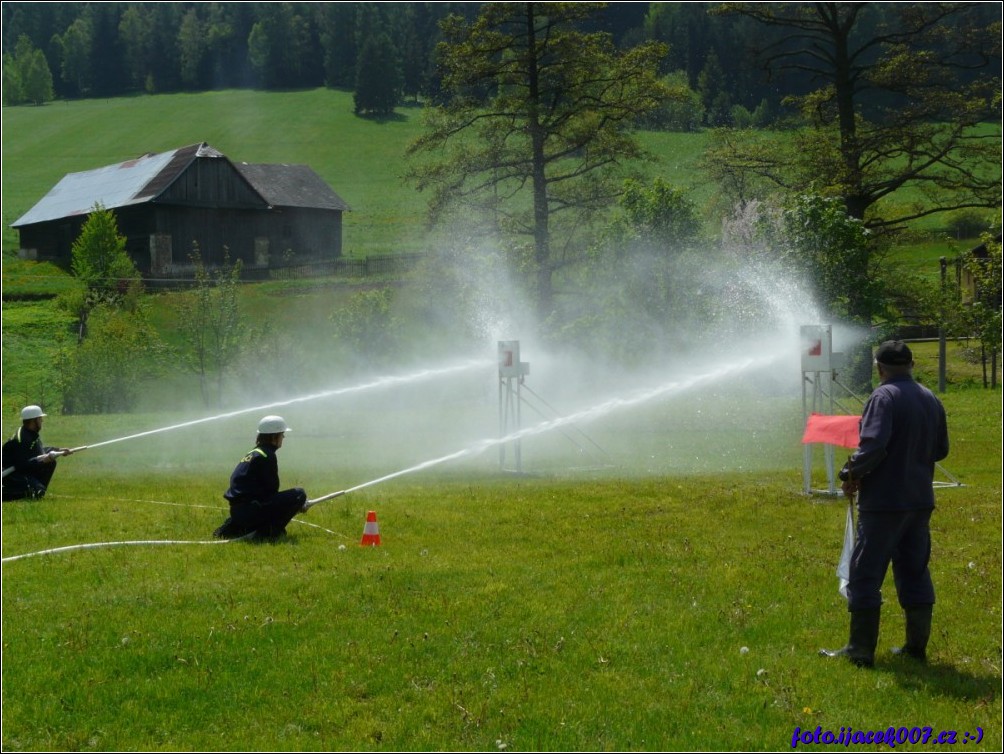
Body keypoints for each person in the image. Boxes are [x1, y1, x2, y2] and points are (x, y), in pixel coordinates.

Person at [820, 340, 949, 667]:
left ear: (879, 368)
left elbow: (874, 446)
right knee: (914, 571)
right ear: (912, 364)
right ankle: (915, 648)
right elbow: (941, 450)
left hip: (885, 503)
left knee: (864, 573)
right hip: (919, 500)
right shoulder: (930, 397)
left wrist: (850, 471)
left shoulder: (883, 396)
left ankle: (860, 651)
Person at [214, 415, 308, 541]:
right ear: (274, 437)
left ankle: (236, 527)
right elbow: (272, 491)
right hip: (250, 512)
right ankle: (269, 532)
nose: (283, 438)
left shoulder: (254, 453)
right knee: (299, 494)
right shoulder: (267, 456)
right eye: (282, 434)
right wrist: (295, 504)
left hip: (238, 512)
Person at [2, 405, 73, 501]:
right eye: (40, 419)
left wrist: (58, 450)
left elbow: (37, 452)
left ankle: (37, 490)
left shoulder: (30, 433)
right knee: (37, 490)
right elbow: (22, 465)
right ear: (33, 421)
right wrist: (42, 460)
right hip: (11, 476)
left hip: (20, 472)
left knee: (50, 463)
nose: (42, 421)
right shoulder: (22, 439)